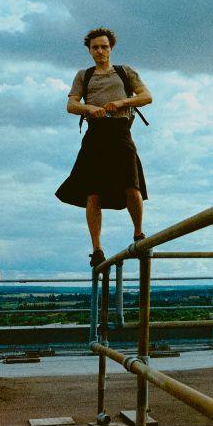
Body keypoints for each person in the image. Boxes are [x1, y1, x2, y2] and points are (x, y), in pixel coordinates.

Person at [55, 27, 153, 268]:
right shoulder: (84, 75)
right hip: (95, 135)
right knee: (93, 193)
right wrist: (90, 109)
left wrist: (121, 102)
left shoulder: (124, 72)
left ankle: (139, 234)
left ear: (111, 48)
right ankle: (97, 248)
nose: (100, 51)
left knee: (132, 185)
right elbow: (71, 104)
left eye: (104, 47)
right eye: (95, 47)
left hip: (120, 132)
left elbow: (146, 96)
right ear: (89, 50)